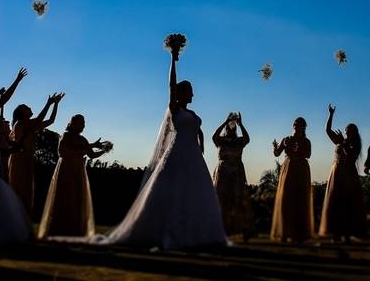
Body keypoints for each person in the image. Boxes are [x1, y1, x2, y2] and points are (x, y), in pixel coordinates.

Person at [79, 44, 227, 249]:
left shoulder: (192, 115)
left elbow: (197, 129)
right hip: (177, 153)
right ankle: (165, 231)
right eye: (189, 91)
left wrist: (200, 142)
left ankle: (195, 233)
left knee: (194, 194)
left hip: (193, 156)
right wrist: (173, 60)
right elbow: (171, 86)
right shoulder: (174, 109)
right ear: (181, 93)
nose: (192, 94)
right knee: (173, 192)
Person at [38, 114, 110, 239]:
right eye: (80, 122)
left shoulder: (83, 140)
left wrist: (104, 150)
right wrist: (81, 151)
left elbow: (91, 155)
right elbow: (62, 152)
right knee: (65, 196)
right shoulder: (65, 136)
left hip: (79, 171)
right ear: (72, 123)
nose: (83, 125)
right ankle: (60, 228)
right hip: (66, 169)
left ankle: (75, 229)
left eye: (84, 123)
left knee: (77, 196)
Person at [8, 93, 65, 216]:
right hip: (19, 158)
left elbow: (51, 120)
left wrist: (55, 104)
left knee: (27, 189)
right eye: (27, 107)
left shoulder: (31, 125)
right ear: (22, 113)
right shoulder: (20, 124)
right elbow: (40, 119)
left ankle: (23, 217)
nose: (30, 108)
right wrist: (48, 103)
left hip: (28, 158)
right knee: (19, 187)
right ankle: (15, 216)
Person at [319, 105, 366, 242]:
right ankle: (336, 233)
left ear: (355, 132)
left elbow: (351, 157)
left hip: (348, 174)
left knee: (347, 202)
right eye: (346, 131)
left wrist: (343, 143)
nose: (347, 133)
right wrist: (331, 114)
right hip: (336, 171)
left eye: (349, 131)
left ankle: (347, 233)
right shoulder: (340, 141)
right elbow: (327, 130)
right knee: (336, 202)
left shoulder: (355, 144)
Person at [212, 112, 254, 240]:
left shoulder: (239, 141)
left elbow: (247, 138)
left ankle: (242, 228)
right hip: (223, 172)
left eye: (233, 127)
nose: (231, 129)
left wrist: (241, 124)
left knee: (237, 199)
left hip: (236, 172)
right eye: (229, 127)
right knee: (221, 199)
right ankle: (222, 228)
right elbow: (214, 136)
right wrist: (224, 122)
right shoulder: (221, 141)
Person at [271, 117, 314, 243]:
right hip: (288, 168)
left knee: (300, 198)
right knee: (286, 198)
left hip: (301, 168)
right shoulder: (286, 139)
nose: (297, 126)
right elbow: (277, 153)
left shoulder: (306, 141)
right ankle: (285, 232)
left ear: (303, 127)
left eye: (300, 124)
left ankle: (299, 233)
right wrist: (276, 147)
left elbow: (308, 154)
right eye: (295, 124)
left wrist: (297, 150)